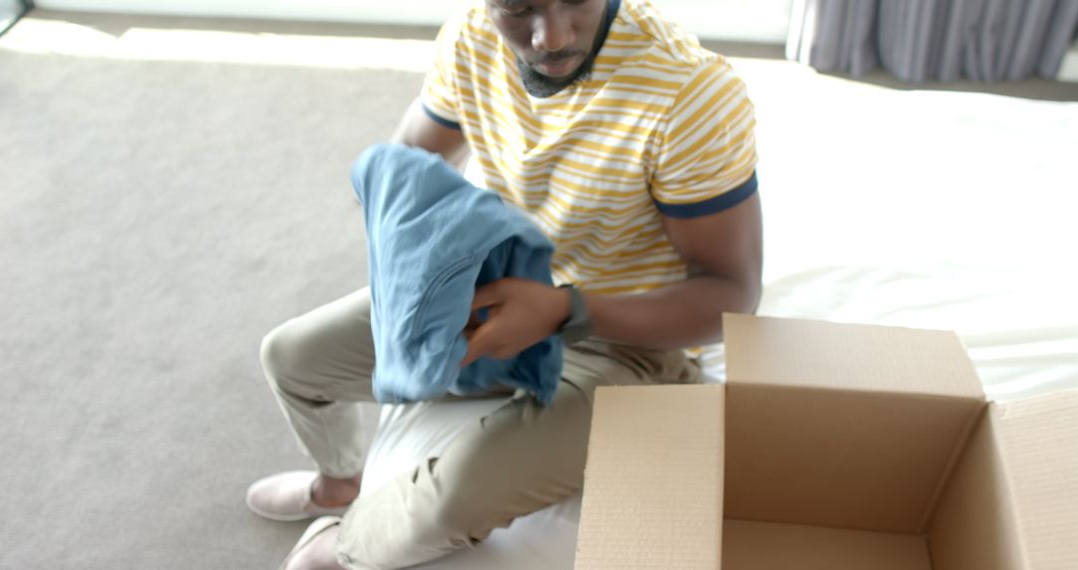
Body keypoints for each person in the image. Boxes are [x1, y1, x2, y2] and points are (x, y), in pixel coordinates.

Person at [246, 0, 762, 568]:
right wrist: (418, 252)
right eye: (518, 7)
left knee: (454, 495)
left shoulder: (689, 94)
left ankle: (340, 545)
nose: (551, 37)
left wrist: (560, 309)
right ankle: (340, 481)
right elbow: (410, 157)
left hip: (625, 348)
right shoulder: (469, 38)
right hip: (485, 293)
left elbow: (730, 298)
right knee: (291, 358)